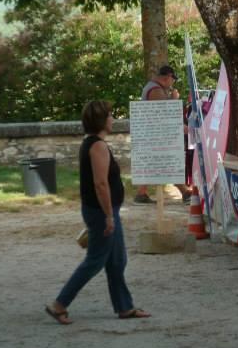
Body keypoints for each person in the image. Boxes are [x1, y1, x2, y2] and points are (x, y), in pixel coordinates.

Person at [45, 100, 150, 325]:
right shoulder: (97, 146)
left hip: (105, 210)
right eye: (110, 116)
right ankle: (59, 304)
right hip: (102, 212)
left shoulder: (93, 143)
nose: (113, 119)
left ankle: (125, 307)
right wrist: (109, 216)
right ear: (102, 120)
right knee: (95, 260)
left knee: (117, 260)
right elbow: (100, 184)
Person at [135, 64, 190, 204]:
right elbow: (163, 112)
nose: (173, 83)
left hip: (153, 134)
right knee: (168, 161)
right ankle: (184, 192)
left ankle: (141, 194)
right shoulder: (155, 90)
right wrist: (174, 99)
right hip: (156, 135)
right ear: (168, 77)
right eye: (173, 80)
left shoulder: (154, 87)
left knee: (152, 164)